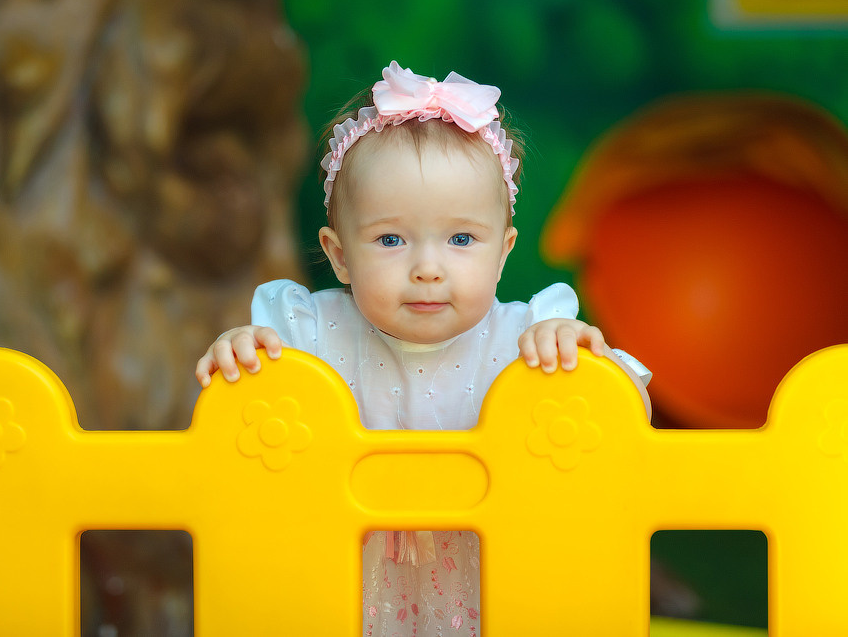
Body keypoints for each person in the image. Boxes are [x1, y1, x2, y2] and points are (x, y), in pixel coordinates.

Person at [195, 61, 651, 636]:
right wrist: (243, 357)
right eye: (391, 239)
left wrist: (585, 365)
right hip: (345, 589)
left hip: (492, 590)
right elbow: (240, 417)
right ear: (340, 255)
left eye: (461, 238)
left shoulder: (528, 341)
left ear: (503, 252)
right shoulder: (308, 335)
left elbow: (630, 419)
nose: (428, 268)